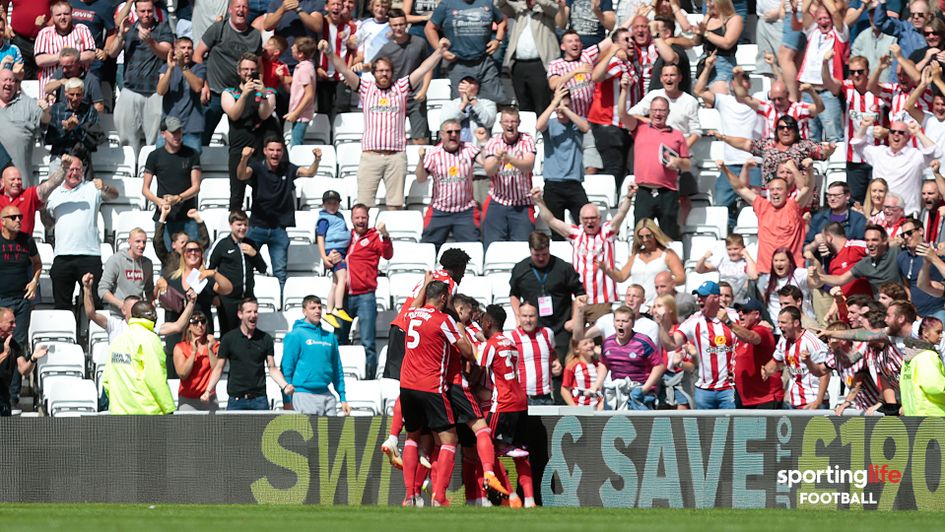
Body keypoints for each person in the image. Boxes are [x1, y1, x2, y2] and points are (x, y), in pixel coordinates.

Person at [398, 280, 500, 506]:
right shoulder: (444, 321)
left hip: (406, 386)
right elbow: (467, 351)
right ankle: (441, 496)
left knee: (414, 438)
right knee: (450, 439)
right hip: (436, 385)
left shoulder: (411, 313)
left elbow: (407, 320)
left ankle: (410, 495)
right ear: (444, 298)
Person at [321, 37, 448, 209]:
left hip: (395, 157)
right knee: (363, 206)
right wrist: (329, 53)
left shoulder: (401, 87)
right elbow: (344, 69)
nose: (384, 74)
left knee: (395, 206)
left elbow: (423, 69)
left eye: (387, 71)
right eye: (380, 71)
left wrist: (439, 51)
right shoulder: (366, 88)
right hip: (370, 156)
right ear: (373, 73)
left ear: (392, 72)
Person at [533, 185, 631, 322]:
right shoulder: (575, 233)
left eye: (593, 218)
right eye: (586, 218)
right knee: (576, 340)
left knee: (599, 339)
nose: (589, 221)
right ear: (580, 219)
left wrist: (629, 196)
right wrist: (539, 201)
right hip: (578, 298)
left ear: (599, 218)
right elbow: (551, 220)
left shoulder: (607, 232)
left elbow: (621, 214)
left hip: (601, 299)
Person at [236, 137, 319, 293]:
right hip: (256, 228)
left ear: (282, 152)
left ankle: (279, 305)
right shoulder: (257, 167)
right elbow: (241, 175)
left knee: (280, 273)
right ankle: (246, 302)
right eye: (272, 150)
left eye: (278, 150)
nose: (275, 153)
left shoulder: (288, 168)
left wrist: (317, 160)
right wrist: (244, 158)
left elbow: (309, 173)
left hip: (279, 230)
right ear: (265, 151)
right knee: (245, 268)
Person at [478, 304, 536, 508]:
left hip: (503, 403)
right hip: (521, 402)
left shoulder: (490, 345)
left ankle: (510, 496)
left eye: (482, 321)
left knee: (487, 447)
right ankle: (530, 500)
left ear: (488, 323)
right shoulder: (511, 343)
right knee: (521, 453)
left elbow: (478, 370)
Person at [384, 248, 471, 380]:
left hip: (399, 326)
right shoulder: (448, 282)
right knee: (408, 380)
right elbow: (447, 306)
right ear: (457, 267)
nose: (463, 274)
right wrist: (458, 322)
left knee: (397, 380)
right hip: (411, 331)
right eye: (463, 269)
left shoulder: (432, 275)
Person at [45, 155, 116, 310]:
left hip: (89, 256)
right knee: (61, 306)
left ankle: (94, 334)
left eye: (78, 169)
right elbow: (47, 223)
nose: (74, 173)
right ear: (64, 171)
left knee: (95, 304)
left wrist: (104, 187)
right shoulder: (53, 193)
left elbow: (114, 195)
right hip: (62, 256)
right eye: (71, 169)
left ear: (83, 171)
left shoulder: (92, 187)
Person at [619, 92, 691, 240]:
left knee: (669, 237)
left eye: (662, 110)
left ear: (668, 113)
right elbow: (622, 114)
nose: (658, 114)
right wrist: (625, 90)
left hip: (668, 193)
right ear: (650, 112)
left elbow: (687, 164)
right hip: (644, 191)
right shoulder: (639, 128)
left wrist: (677, 162)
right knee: (641, 236)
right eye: (655, 110)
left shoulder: (677, 135)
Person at [720, 159, 812, 274]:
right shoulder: (762, 206)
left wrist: (809, 169)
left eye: (779, 189)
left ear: (787, 192)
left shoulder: (793, 206)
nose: (775, 192)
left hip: (793, 272)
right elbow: (740, 188)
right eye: (772, 189)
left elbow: (807, 188)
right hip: (766, 272)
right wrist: (725, 168)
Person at [657, 281, 737, 410]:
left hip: (729, 389)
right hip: (704, 390)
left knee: (732, 428)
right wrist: (662, 325)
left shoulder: (734, 316)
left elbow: (751, 336)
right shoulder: (694, 321)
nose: (699, 299)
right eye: (698, 295)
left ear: (716, 298)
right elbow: (671, 345)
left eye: (704, 296)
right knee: (705, 429)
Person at [107, 0, 173, 155]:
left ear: (154, 10)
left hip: (155, 92)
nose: (146, 14)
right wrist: (121, 35)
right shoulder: (129, 28)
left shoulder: (163, 27)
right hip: (130, 89)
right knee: (126, 140)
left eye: (149, 11)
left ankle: (150, 169)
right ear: (136, 11)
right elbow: (111, 53)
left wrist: (150, 41)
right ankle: (132, 171)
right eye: (142, 11)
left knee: (155, 140)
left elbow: (166, 53)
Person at [157, 240, 232, 375]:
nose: (193, 253)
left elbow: (228, 289)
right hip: (176, 335)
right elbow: (155, 296)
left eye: (196, 250)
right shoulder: (171, 278)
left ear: (202, 254)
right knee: (175, 376)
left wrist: (214, 274)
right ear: (183, 255)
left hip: (200, 332)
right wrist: (159, 286)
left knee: (201, 375)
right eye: (189, 250)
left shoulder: (206, 279)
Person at [194, 0, 263, 146]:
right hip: (215, 93)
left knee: (243, 139)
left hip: (241, 95)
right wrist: (203, 85)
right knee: (203, 138)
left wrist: (259, 89)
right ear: (230, 9)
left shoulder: (255, 35)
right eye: (238, 6)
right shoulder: (218, 28)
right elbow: (197, 55)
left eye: (244, 7)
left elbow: (259, 66)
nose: (241, 10)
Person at [335, 204, 393, 379]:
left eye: (363, 217)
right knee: (339, 339)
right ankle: (339, 376)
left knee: (368, 342)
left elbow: (388, 254)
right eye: (357, 217)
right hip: (343, 297)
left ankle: (368, 379)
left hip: (365, 296)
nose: (360, 221)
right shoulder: (345, 236)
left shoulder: (374, 236)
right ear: (351, 219)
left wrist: (385, 235)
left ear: (368, 218)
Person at [204, 297, 291, 410]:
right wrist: (208, 390)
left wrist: (285, 385)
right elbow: (219, 368)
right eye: (249, 312)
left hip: (259, 400)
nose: (253, 315)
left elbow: (272, 368)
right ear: (240, 314)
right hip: (236, 400)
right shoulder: (229, 338)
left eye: (255, 311)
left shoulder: (265, 339)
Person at [508, 231, 585, 359]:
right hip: (534, 327)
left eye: (544, 254)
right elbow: (514, 295)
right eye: (536, 255)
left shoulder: (563, 268)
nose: (541, 258)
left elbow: (579, 293)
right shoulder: (520, 269)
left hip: (561, 327)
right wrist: (518, 318)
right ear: (530, 250)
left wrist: (575, 320)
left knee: (560, 366)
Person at [221, 52, 280, 212]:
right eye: (245, 69)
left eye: (252, 69)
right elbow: (234, 114)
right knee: (236, 195)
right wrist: (245, 94)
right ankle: (235, 229)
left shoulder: (268, 92)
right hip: (238, 150)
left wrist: (262, 94)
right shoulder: (229, 92)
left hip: (259, 149)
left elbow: (264, 114)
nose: (248, 73)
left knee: (260, 194)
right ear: (239, 71)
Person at [416, 119, 487, 248]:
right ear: (441, 135)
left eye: (457, 132)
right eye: (449, 132)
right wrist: (421, 160)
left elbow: (486, 164)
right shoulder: (433, 154)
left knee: (471, 250)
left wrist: (482, 143)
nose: (454, 135)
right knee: (427, 248)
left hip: (465, 211)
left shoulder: (468, 148)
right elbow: (421, 178)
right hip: (440, 211)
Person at [853, 116, 940, 216]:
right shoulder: (878, 153)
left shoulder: (915, 156)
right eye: (892, 131)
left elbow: (936, 153)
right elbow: (857, 144)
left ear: (908, 137)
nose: (896, 134)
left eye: (901, 132)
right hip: (881, 216)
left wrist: (918, 133)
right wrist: (864, 126)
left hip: (906, 217)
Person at [424, 0, 507, 103]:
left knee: (494, 101)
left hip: (484, 61)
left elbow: (502, 21)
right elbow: (429, 28)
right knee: (460, 104)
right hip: (459, 62)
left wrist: (498, 40)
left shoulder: (486, 2)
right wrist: (441, 51)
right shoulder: (446, 4)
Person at [103, 301, 176, 415]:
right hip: (147, 415)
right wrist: (168, 408)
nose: (155, 316)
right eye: (151, 313)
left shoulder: (118, 340)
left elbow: (107, 380)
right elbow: (155, 378)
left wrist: (119, 403)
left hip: (119, 414)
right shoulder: (150, 339)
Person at [282, 295, 351, 415]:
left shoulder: (330, 337)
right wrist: (287, 399)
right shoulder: (295, 335)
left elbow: (337, 369)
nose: (317, 311)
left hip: (326, 394)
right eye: (313, 308)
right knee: (309, 434)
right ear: (304, 311)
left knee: (331, 433)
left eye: (319, 307)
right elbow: (287, 368)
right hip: (303, 394)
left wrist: (343, 397)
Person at [536, 85, 591, 234]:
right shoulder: (550, 125)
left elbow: (585, 127)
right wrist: (555, 104)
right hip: (553, 185)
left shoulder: (576, 124)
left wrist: (566, 109)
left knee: (585, 226)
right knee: (557, 231)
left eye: (566, 105)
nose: (561, 109)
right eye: (559, 105)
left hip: (574, 184)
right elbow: (539, 125)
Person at [0, 204, 40, 407]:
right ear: (3, 221)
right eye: (13, 217)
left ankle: (13, 396)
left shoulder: (27, 241)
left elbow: (37, 264)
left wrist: (34, 281)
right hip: (1, 302)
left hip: (21, 301)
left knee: (18, 346)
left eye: (20, 217)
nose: (18, 220)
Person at [142, 117, 202, 248]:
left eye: (179, 131)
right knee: (167, 261)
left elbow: (196, 186)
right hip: (165, 215)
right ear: (163, 133)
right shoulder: (154, 156)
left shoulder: (192, 154)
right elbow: (145, 189)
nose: (177, 136)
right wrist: (159, 201)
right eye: (173, 132)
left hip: (188, 216)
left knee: (192, 257)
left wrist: (178, 198)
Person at [481, 107, 537, 249]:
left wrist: (509, 159)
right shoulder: (493, 142)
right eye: (506, 121)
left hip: (522, 203)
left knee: (522, 247)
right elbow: (489, 170)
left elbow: (528, 166)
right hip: (498, 201)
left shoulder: (527, 140)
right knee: (493, 246)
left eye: (513, 121)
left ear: (519, 123)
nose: (510, 125)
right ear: (501, 124)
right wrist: (498, 160)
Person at [376, 8, 432, 145]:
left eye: (401, 24)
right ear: (390, 26)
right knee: (394, 139)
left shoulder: (420, 43)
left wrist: (424, 90)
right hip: (395, 99)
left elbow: (428, 67)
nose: (398, 28)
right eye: (395, 25)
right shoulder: (386, 49)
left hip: (416, 97)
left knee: (420, 139)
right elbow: (376, 69)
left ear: (406, 24)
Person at [591, 304, 663, 410]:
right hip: (616, 392)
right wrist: (598, 383)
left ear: (632, 323)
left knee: (642, 425)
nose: (620, 324)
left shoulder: (643, 342)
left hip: (639, 393)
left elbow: (659, 366)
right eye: (617, 321)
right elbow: (604, 363)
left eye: (625, 321)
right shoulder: (607, 343)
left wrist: (644, 389)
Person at [209, 210, 267, 335]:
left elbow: (263, 268)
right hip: (227, 300)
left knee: (248, 334)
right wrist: (214, 295)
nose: (242, 228)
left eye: (245, 225)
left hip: (247, 298)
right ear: (231, 225)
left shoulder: (251, 244)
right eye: (239, 225)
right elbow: (210, 270)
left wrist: (254, 254)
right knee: (228, 334)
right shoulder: (222, 245)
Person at [600, 218, 685, 302]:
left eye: (648, 236)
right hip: (637, 305)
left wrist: (665, 284)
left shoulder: (668, 254)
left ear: (655, 234)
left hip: (658, 304)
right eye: (641, 237)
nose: (645, 240)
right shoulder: (636, 255)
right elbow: (622, 277)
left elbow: (681, 278)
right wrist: (608, 270)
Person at [762, 306, 830, 409]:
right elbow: (775, 363)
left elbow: (825, 374)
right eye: (779, 322)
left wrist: (818, 402)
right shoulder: (783, 341)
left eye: (783, 322)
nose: (779, 326)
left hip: (812, 402)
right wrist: (764, 370)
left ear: (796, 323)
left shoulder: (813, 343)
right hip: (793, 402)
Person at [496, 0, 556, 113]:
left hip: (540, 65)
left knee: (542, 105)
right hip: (518, 65)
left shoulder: (546, 12)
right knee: (523, 106)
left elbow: (554, 9)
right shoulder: (519, 11)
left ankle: (542, 130)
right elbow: (499, 4)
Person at [810, 224, 901, 296]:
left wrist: (899, 241)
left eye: (874, 240)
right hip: (863, 309)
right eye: (867, 240)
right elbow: (840, 280)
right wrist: (818, 276)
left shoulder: (855, 246)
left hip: (895, 304)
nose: (869, 244)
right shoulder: (863, 264)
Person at [156, 37, 207, 154]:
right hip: (169, 127)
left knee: (192, 164)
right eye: (182, 48)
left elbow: (198, 87)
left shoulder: (199, 67)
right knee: (163, 161)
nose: (186, 51)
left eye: (189, 48)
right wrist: (170, 69)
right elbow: (160, 91)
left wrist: (183, 66)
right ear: (175, 50)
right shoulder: (165, 67)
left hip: (191, 127)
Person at [729, 298, 781, 409]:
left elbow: (751, 337)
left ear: (757, 314)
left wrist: (728, 323)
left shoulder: (763, 330)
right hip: (745, 399)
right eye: (738, 311)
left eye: (745, 311)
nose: (741, 314)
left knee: (761, 427)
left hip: (764, 398)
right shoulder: (740, 332)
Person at [34, 0, 96, 93]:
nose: (62, 17)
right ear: (52, 17)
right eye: (58, 15)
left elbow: (90, 55)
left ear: (72, 14)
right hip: (52, 90)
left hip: (79, 91)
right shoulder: (44, 33)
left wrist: (67, 58)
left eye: (66, 14)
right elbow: (40, 60)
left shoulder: (82, 30)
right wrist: (63, 56)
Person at [0, 69, 50, 182]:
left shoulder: (28, 104)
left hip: (20, 184)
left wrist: (47, 110)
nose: (8, 83)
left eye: (12, 80)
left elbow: (45, 119)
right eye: (5, 80)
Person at [0, 307, 48, 415]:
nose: (15, 326)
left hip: (4, 400)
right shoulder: (7, 349)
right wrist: (4, 354)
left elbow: (24, 370)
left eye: (15, 322)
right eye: (10, 323)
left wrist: (33, 358)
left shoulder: (14, 344)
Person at [98, 228, 154, 317]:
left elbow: (149, 290)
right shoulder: (116, 260)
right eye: (138, 241)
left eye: (144, 242)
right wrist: (121, 304)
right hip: (118, 314)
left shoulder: (147, 264)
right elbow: (102, 290)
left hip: (139, 315)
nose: (142, 245)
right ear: (129, 242)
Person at [316, 189, 352, 329]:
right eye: (329, 203)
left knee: (335, 283)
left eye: (335, 203)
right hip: (333, 251)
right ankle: (339, 307)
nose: (332, 205)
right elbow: (320, 237)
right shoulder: (324, 219)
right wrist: (324, 257)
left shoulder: (340, 216)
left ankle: (329, 312)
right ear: (324, 204)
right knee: (342, 277)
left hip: (341, 251)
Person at [173, 310, 219, 411]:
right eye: (195, 322)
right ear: (188, 326)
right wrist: (193, 352)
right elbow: (183, 374)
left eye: (203, 321)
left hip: (209, 397)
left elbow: (217, 370)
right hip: (188, 399)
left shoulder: (214, 345)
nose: (200, 325)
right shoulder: (180, 347)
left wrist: (210, 350)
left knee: (214, 427)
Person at [45, 77, 101, 157]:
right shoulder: (56, 109)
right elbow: (49, 140)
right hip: (59, 155)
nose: (75, 98)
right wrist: (65, 130)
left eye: (78, 95)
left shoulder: (90, 111)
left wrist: (78, 128)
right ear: (65, 93)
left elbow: (94, 142)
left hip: (82, 158)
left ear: (83, 94)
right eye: (71, 94)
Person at [692, 0, 743, 83]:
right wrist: (698, 34)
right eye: (707, 2)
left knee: (718, 94)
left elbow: (727, 43)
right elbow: (696, 42)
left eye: (711, 2)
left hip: (723, 63)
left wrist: (705, 33)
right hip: (705, 62)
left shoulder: (734, 19)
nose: (708, 5)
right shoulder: (708, 17)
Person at [695, 234, 754, 304]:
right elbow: (699, 270)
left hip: (739, 299)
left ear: (743, 248)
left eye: (736, 249)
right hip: (722, 297)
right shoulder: (722, 261)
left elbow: (754, 276)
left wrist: (746, 255)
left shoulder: (746, 263)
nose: (732, 252)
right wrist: (704, 258)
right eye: (729, 249)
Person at [154, 206, 211, 277]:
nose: (185, 245)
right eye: (182, 242)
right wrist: (163, 216)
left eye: (187, 242)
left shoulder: (192, 257)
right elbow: (157, 242)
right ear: (173, 245)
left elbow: (204, 242)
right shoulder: (168, 258)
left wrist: (198, 219)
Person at [440, 76, 498, 145]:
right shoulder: (449, 105)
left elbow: (489, 122)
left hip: (477, 147)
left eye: (471, 82)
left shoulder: (488, 103)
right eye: (463, 82)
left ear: (478, 86)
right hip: (455, 148)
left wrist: (473, 101)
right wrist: (463, 104)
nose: (467, 86)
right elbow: (445, 124)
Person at [560, 337, 604, 409]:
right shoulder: (572, 365)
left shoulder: (598, 365)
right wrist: (574, 407)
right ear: (577, 349)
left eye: (591, 342)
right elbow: (564, 389)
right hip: (580, 408)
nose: (590, 345)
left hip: (597, 409)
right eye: (585, 344)